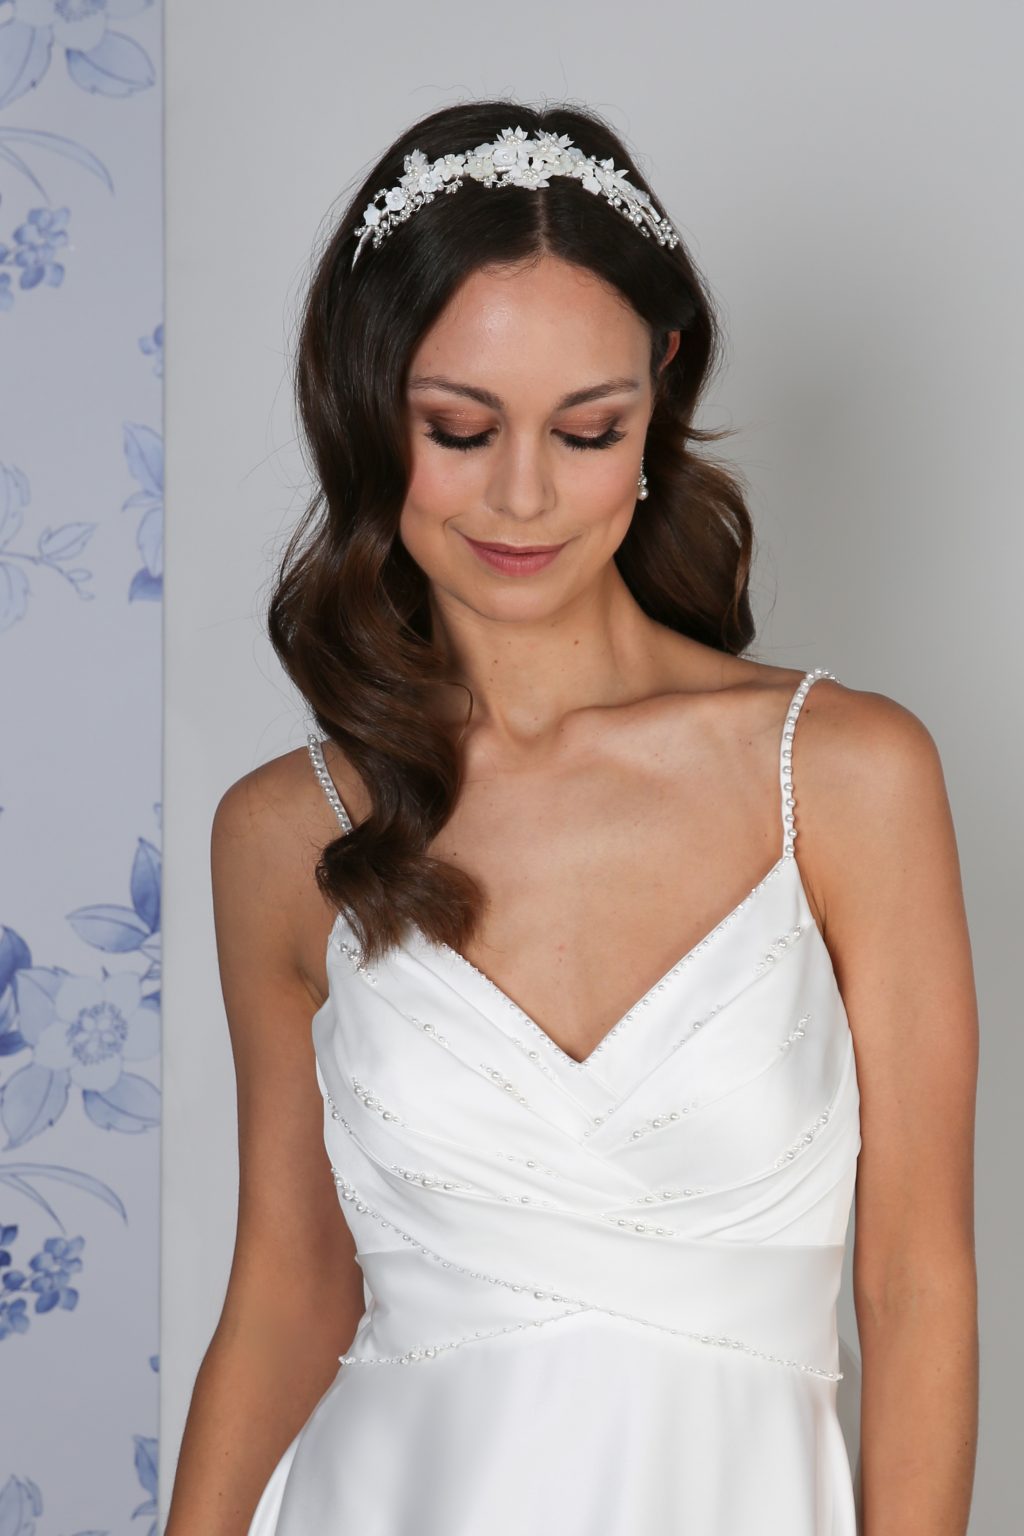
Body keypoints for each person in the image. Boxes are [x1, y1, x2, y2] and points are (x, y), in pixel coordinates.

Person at [165, 100, 979, 1535]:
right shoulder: (287, 832)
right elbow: (288, 1290)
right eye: (459, 429)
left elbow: (917, 1284)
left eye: (587, 429)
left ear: (661, 389)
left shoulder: (844, 774)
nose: (524, 496)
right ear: (366, 404)